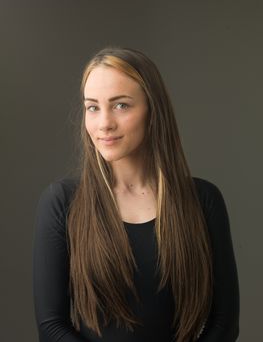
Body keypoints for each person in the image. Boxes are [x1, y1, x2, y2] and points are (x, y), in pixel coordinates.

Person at [32, 46, 240, 342]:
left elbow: (224, 323)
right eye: (93, 107)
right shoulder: (62, 202)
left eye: (121, 105)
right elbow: (51, 327)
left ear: (152, 110)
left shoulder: (203, 200)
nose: (104, 123)